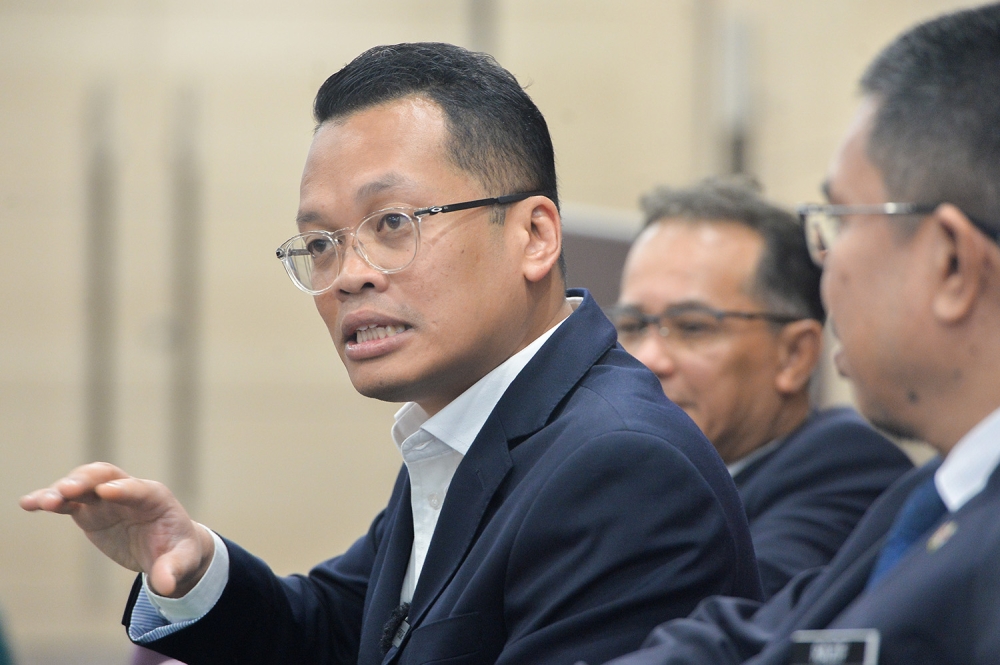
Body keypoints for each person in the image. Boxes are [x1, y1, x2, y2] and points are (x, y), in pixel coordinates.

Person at [20, 43, 761, 665]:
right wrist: (193, 563)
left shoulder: (618, 466)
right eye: (320, 243)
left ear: (534, 235)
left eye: (393, 222)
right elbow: (339, 630)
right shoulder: (469, 433)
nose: (349, 274)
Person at [598, 4, 1000, 663]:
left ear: (952, 262)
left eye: (840, 220)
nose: (828, 264)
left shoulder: (862, 473)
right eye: (634, 323)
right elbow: (759, 634)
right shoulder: (927, 497)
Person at [610, 178, 913, 598]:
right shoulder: (616, 472)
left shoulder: (845, 470)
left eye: (693, 328)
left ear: (795, 356)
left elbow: (724, 625)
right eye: (632, 326)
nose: (647, 360)